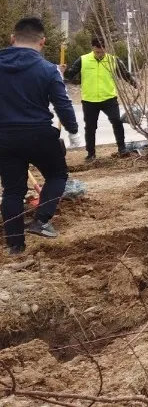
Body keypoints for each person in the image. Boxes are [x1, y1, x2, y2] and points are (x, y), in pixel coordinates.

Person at [1, 18, 81, 254]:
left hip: (4, 137)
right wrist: (73, 128)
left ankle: (15, 245)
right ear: (43, 42)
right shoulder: (48, 69)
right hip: (39, 134)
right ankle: (41, 220)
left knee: (12, 191)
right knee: (57, 174)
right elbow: (63, 104)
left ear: (12, 39)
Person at [64, 37, 137, 162]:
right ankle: (91, 154)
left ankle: (122, 149)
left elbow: (126, 75)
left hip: (109, 98)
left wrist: (136, 85)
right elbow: (70, 75)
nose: (99, 54)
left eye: (102, 52)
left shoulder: (113, 60)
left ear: (105, 49)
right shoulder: (83, 60)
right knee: (90, 127)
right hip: (89, 100)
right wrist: (63, 71)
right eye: (97, 52)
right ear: (93, 48)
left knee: (117, 122)